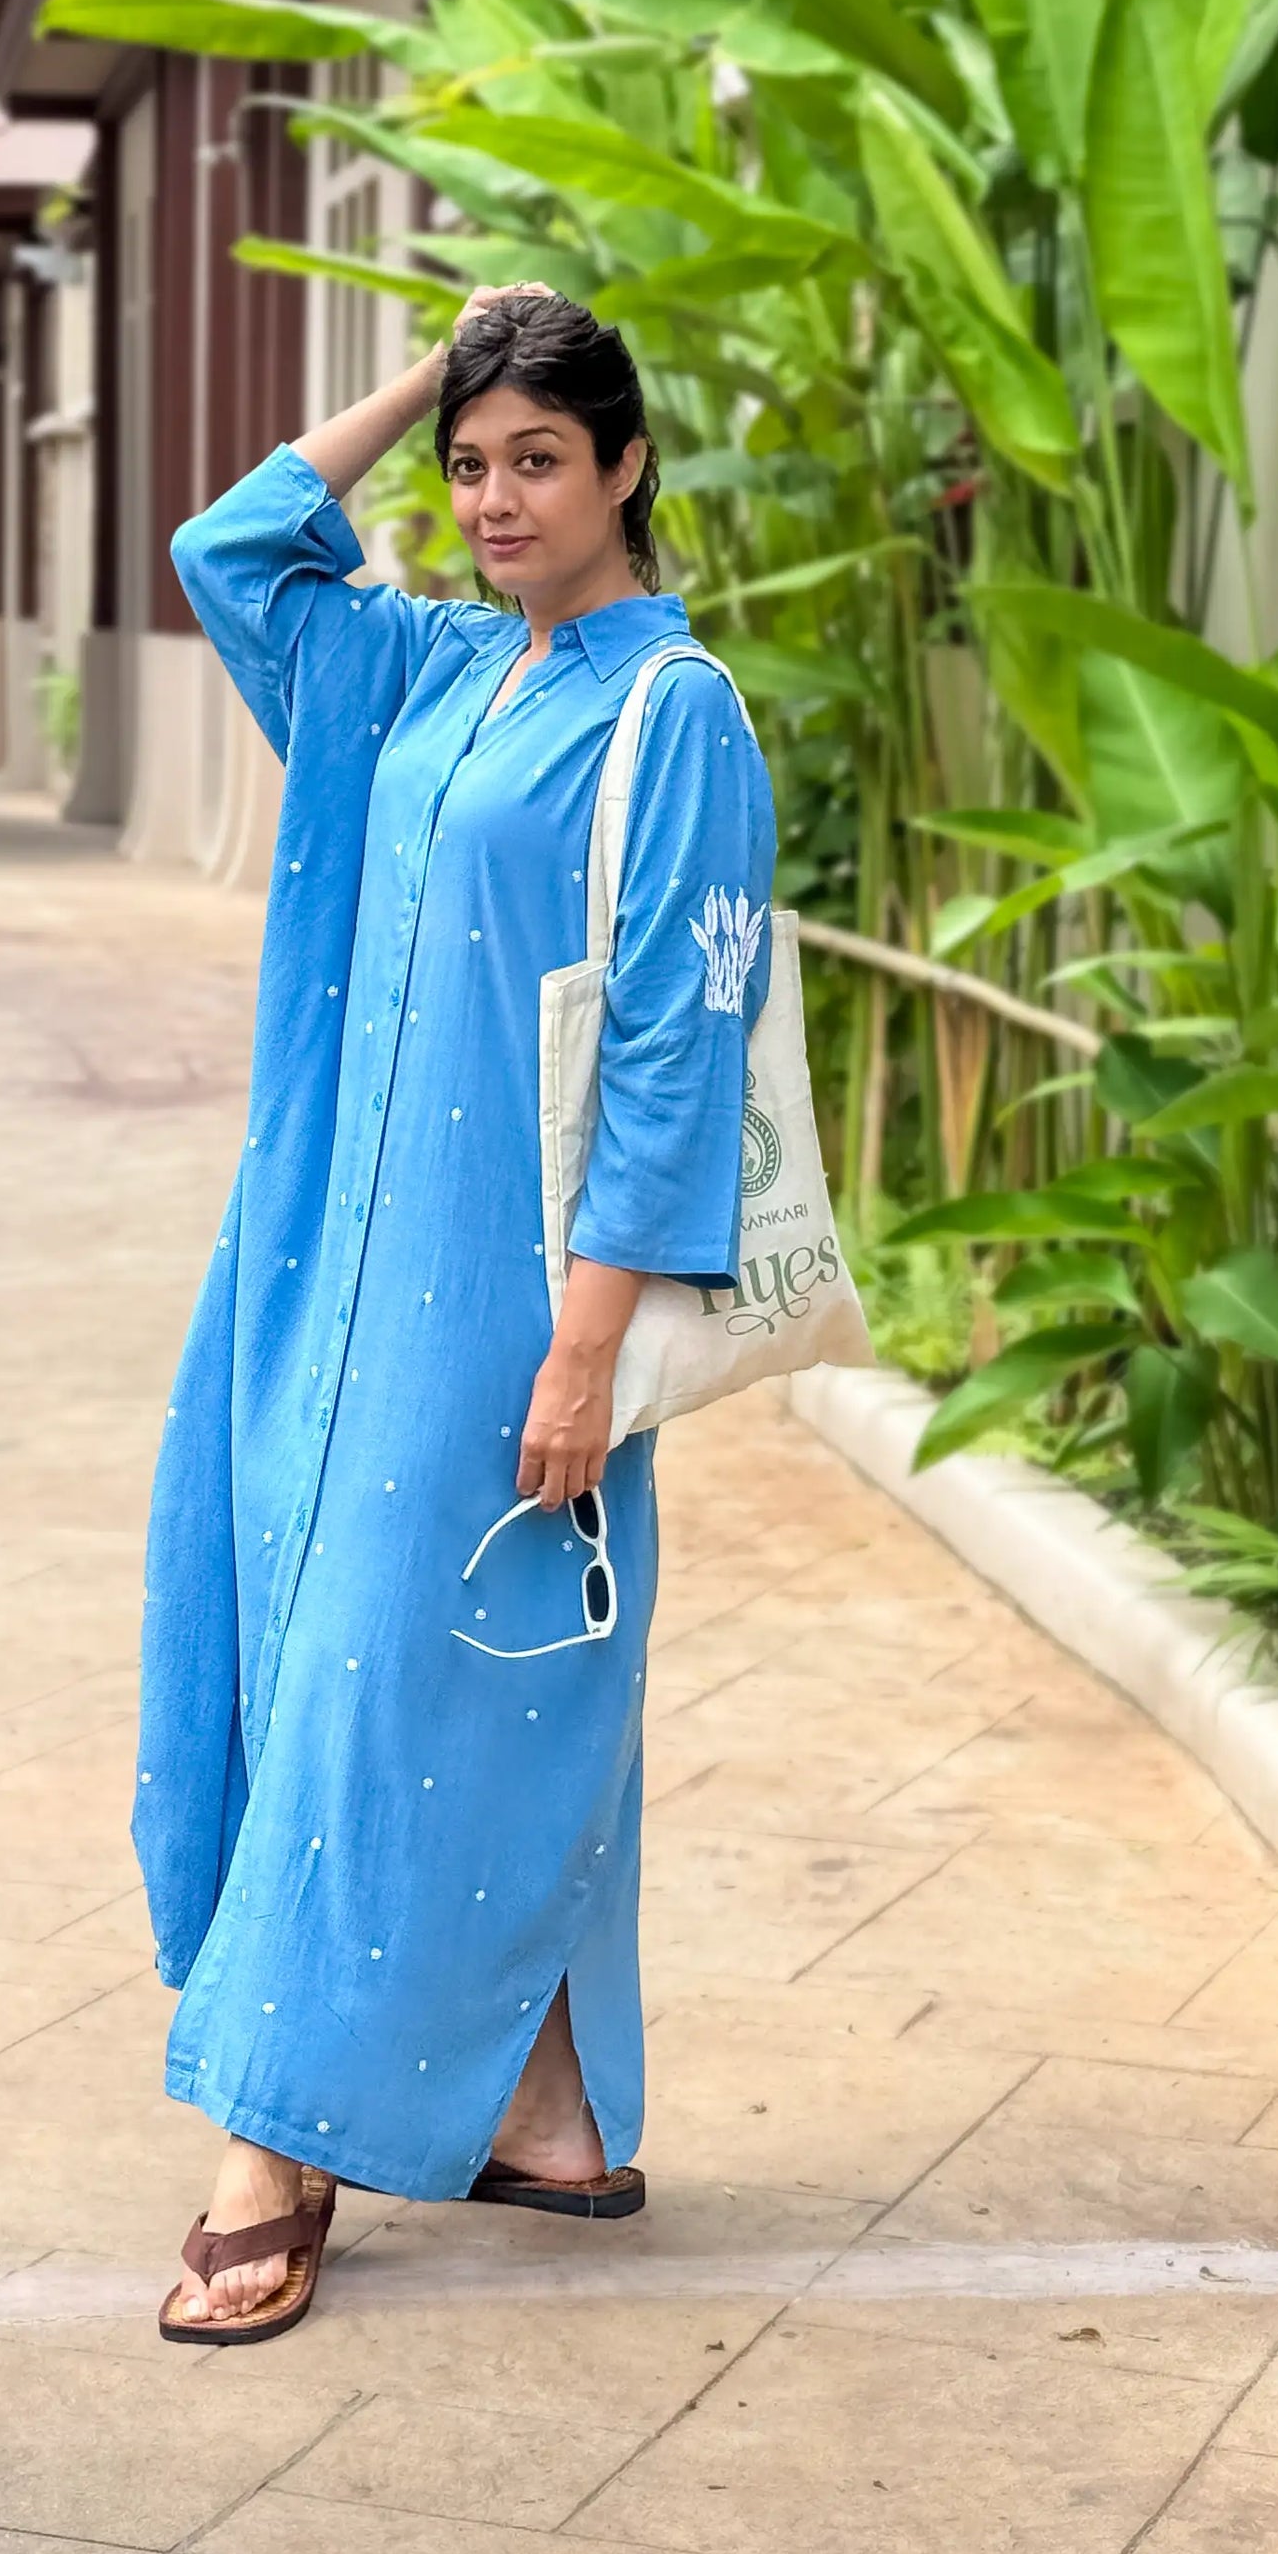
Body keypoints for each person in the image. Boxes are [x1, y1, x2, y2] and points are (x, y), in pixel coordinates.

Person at [136, 286, 776, 2344]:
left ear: (625, 469)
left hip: (505, 1292)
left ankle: (276, 2132)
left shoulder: (668, 711)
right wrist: (439, 361)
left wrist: (586, 1342)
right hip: (327, 1254)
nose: (495, 497)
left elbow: (680, 1046)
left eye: (537, 460)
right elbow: (229, 549)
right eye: (470, 465)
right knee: (460, 1661)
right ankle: (554, 2112)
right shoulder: (419, 670)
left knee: (376, 1682)